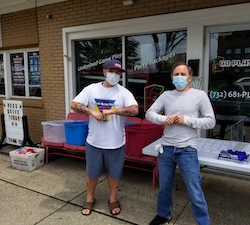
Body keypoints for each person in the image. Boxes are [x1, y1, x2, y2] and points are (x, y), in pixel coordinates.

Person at [146, 62, 216, 225]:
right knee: (164, 187)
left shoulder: (200, 95)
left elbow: (211, 121)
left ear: (190, 78)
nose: (179, 77)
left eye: (183, 74)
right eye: (176, 74)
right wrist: (164, 119)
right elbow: (149, 113)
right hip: (166, 148)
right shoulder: (166, 96)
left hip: (187, 149)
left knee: (194, 190)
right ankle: (163, 214)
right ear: (171, 78)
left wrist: (187, 120)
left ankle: (203, 222)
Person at [71, 59, 139, 216]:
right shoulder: (91, 90)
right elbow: (74, 104)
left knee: (115, 174)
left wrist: (114, 111)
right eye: (111, 72)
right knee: (92, 173)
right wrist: (91, 112)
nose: (114, 75)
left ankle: (113, 198)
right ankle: (89, 198)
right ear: (104, 72)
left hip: (116, 143)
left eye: (117, 73)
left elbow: (135, 110)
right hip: (94, 141)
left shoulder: (123, 92)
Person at [216, 72, 245, 139]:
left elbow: (218, 97)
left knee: (223, 126)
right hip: (233, 109)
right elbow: (244, 98)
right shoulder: (238, 87)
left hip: (228, 109)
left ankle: (221, 137)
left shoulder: (223, 87)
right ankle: (237, 139)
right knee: (235, 126)